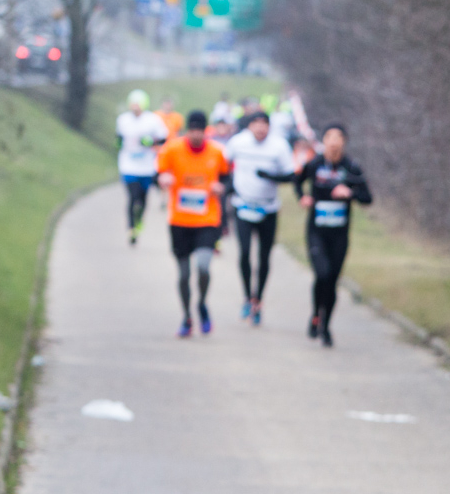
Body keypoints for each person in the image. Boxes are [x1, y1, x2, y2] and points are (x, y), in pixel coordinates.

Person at [294, 124, 371, 348]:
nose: (334, 142)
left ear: (344, 142)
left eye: (339, 138)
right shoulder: (315, 164)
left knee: (332, 281)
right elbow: (297, 180)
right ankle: (315, 315)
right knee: (322, 274)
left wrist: (350, 193)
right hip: (316, 231)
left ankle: (326, 326)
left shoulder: (351, 167)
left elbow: (367, 197)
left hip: (339, 234)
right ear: (324, 140)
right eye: (329, 137)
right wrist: (303, 197)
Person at [156, 110, 231, 338]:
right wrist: (162, 179)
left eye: (200, 130)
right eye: (193, 130)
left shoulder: (217, 152)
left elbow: (227, 177)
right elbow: (158, 173)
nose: (196, 135)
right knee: (183, 274)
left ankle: (202, 304)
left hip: (207, 219)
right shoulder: (172, 149)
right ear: (187, 130)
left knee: (204, 267)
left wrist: (222, 187)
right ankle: (187, 315)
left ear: (205, 131)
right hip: (179, 220)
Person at [225, 110, 295, 324]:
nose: (260, 128)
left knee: (264, 256)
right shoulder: (238, 143)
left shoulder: (279, 146)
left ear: (269, 126)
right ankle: (247, 297)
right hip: (243, 205)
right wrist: (228, 187)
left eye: (264, 123)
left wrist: (271, 176)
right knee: (245, 252)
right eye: (255, 123)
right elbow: (222, 166)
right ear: (249, 126)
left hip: (268, 209)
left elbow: (291, 175)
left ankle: (259, 299)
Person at [115, 89, 167, 245]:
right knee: (133, 197)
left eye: (138, 103)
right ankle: (131, 228)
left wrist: (150, 142)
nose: (135, 106)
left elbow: (163, 139)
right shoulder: (123, 120)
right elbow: (118, 139)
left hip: (146, 166)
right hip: (128, 166)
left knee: (143, 199)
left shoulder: (153, 120)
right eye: (133, 103)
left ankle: (139, 221)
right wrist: (120, 145)